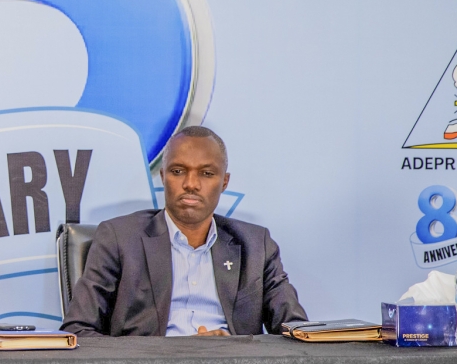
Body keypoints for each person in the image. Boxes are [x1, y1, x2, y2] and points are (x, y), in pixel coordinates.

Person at [62, 126, 306, 337]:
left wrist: (232, 350)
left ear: (224, 182)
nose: (191, 184)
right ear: (163, 176)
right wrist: (177, 354)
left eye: (206, 173)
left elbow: (296, 330)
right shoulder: (119, 238)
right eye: (178, 171)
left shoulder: (256, 245)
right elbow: (78, 330)